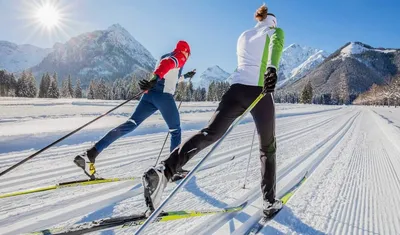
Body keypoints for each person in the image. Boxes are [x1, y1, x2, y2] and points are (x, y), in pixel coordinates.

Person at [142, 4, 284, 218]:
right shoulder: (275, 31)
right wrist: (271, 69)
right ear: (272, 21)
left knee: (209, 133)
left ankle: (165, 170)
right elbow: (276, 45)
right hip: (260, 92)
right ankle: (270, 201)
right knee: (267, 148)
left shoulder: (244, 35)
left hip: (235, 91)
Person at [74, 40, 196, 179]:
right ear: (186, 51)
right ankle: (174, 169)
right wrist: (154, 79)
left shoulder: (165, 56)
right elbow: (168, 63)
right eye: (189, 54)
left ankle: (91, 154)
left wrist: (185, 76)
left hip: (149, 96)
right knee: (175, 130)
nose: (188, 57)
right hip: (163, 97)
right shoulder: (179, 55)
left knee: (131, 123)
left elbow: (170, 75)